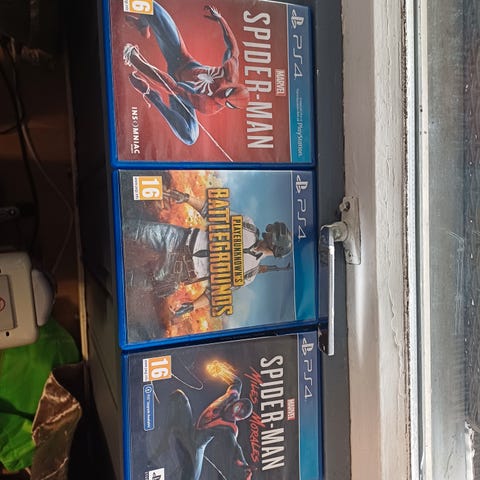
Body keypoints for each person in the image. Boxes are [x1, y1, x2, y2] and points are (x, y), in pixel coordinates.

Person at [123, 187, 293, 317]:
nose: (268, 232)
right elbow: (211, 212)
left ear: (275, 247)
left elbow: (215, 292)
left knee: (130, 279)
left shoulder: (249, 273)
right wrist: (187, 198)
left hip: (180, 272)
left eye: (273, 234)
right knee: (132, 230)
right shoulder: (247, 226)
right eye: (272, 231)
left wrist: (191, 306)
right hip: (178, 238)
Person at [123, 2, 250, 145]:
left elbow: (173, 87)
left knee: (190, 137)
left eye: (226, 101)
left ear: (229, 106)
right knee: (150, 6)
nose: (221, 96)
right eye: (227, 92)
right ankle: (142, 24)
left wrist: (136, 61)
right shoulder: (230, 72)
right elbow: (233, 48)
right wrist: (221, 19)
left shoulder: (208, 105)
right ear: (231, 85)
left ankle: (153, 97)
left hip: (178, 90)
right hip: (180, 58)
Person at [157, 374, 254, 480]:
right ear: (236, 402)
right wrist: (220, 370)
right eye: (236, 408)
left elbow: (235, 448)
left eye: (237, 416)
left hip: (195, 447)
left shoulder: (230, 428)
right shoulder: (232, 394)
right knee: (179, 396)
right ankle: (164, 438)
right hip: (189, 429)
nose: (232, 414)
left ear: (239, 418)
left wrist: (243, 465)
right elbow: (237, 382)